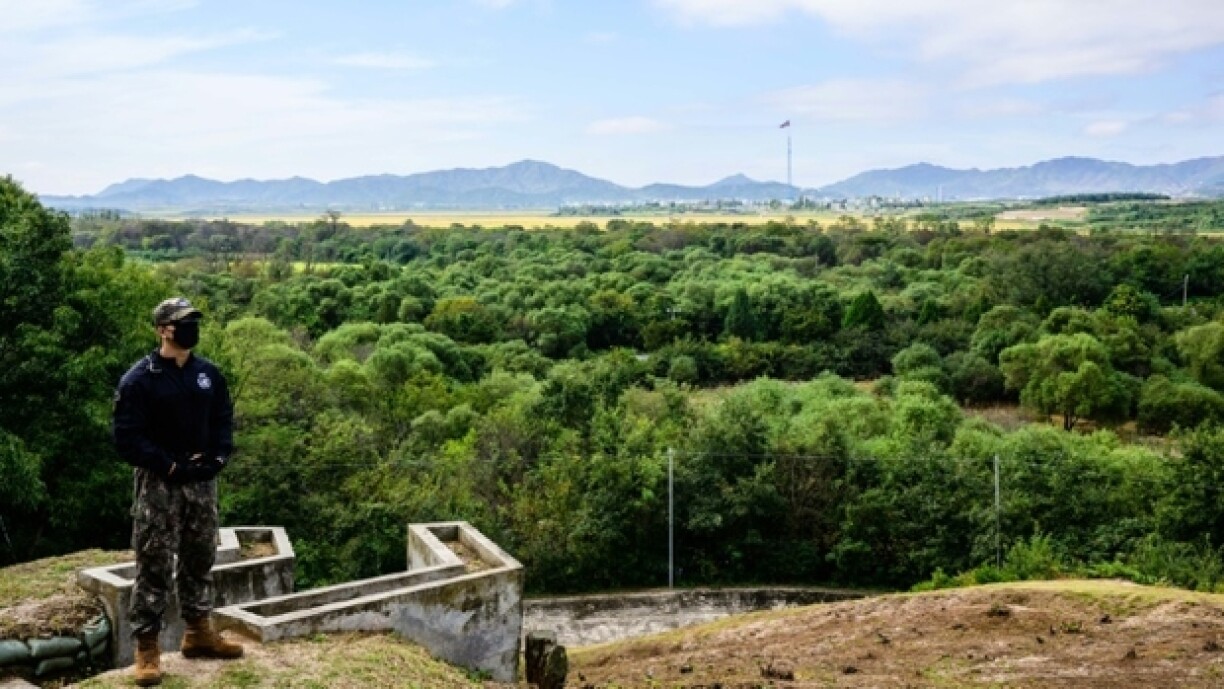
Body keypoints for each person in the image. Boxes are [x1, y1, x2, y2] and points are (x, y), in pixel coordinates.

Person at [112, 297, 242, 687]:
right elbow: (126, 439)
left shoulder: (208, 375)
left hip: (201, 482)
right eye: (183, 322)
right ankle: (147, 647)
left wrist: (218, 458)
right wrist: (168, 464)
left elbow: (223, 420)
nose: (191, 329)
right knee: (153, 560)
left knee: (200, 554)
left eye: (193, 321)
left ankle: (198, 631)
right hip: (159, 481)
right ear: (162, 329)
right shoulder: (140, 379)